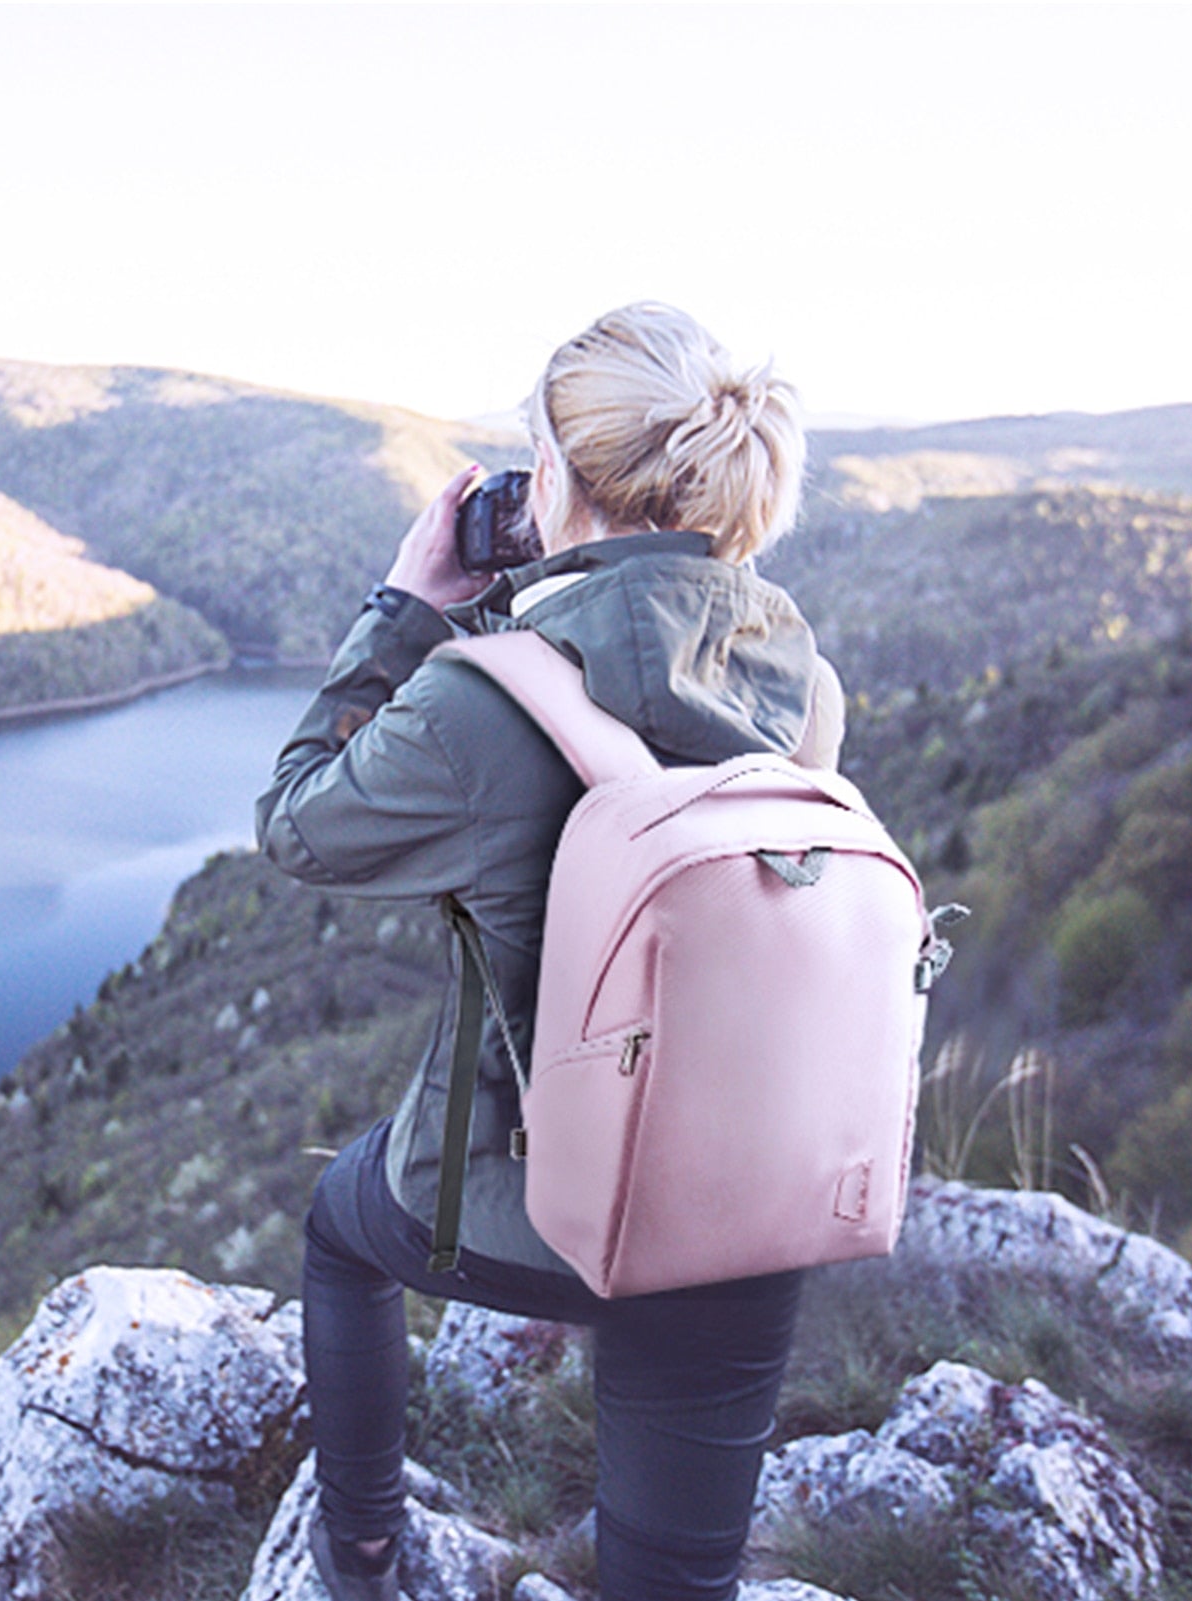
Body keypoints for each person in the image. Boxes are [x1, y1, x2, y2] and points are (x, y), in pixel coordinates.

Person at [255, 303, 841, 1601]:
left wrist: (404, 610)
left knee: (341, 1226)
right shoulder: (800, 679)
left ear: (560, 480)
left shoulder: (488, 695)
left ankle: (358, 1548)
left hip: (537, 1211)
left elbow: (296, 824)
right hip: (754, 1201)